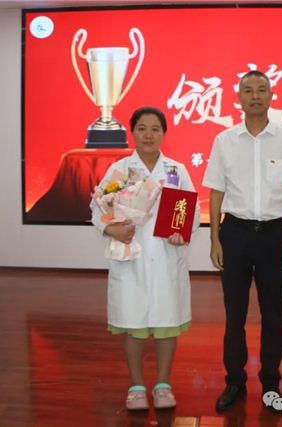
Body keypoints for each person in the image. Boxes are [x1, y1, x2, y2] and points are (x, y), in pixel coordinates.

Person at [202, 70, 282, 412]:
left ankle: (271, 383)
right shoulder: (224, 140)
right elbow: (215, 191)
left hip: (273, 236)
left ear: (271, 96)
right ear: (238, 98)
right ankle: (234, 381)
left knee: (272, 314)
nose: (255, 96)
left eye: (261, 90)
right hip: (234, 235)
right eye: (248, 90)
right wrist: (215, 239)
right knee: (234, 314)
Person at [90, 106, 200, 411]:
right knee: (133, 323)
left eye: (155, 129)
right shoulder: (120, 170)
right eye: (142, 128)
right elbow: (98, 208)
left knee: (167, 323)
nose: (148, 135)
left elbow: (191, 212)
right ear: (132, 132)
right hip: (131, 257)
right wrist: (111, 229)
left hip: (167, 257)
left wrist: (181, 233)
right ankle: (136, 386)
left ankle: (163, 384)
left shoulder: (176, 170)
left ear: (164, 133)